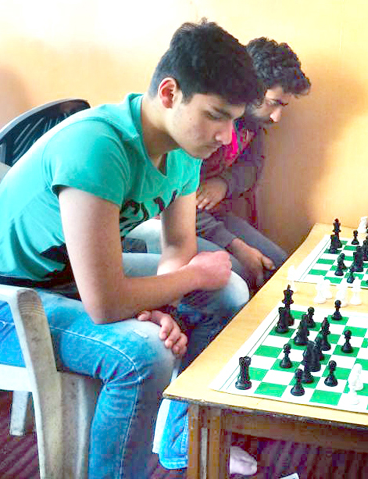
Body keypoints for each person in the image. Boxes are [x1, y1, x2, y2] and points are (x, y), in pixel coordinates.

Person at [0, 19, 262, 478]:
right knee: (143, 355)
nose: (225, 137)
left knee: (228, 293)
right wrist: (184, 283)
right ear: (169, 93)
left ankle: (175, 436)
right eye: (216, 115)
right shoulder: (97, 146)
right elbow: (105, 303)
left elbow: (178, 245)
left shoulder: (182, 149)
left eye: (233, 121)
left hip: (66, 282)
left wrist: (163, 305)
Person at [128, 37, 311, 292]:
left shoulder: (251, 123)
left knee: (278, 266)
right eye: (273, 102)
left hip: (211, 215)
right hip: (172, 221)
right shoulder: (195, 134)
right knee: (240, 274)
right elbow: (179, 205)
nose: (277, 117)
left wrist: (223, 184)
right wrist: (236, 245)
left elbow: (253, 166)